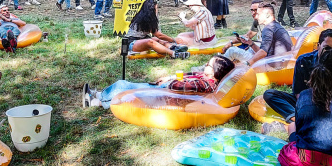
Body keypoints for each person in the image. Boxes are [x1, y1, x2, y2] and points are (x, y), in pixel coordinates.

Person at [83, 55, 234, 109]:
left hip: (164, 94)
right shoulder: (204, 77)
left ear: (215, 72)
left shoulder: (204, 84)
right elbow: (190, 74)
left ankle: (96, 100)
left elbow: (178, 86)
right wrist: (169, 77)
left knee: (125, 87)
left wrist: (170, 81)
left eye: (209, 65)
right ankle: (98, 96)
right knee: (127, 87)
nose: (205, 65)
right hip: (164, 88)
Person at [122, 0, 189, 58]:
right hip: (131, 43)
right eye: (156, 8)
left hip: (141, 40)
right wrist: (173, 40)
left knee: (155, 39)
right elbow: (159, 35)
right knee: (150, 41)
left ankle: (173, 47)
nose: (157, 10)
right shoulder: (146, 19)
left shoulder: (146, 17)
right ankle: (174, 54)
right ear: (151, 10)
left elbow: (158, 36)